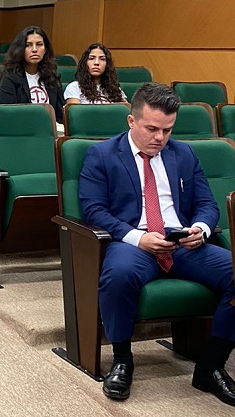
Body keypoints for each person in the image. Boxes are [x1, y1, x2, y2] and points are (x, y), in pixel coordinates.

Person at [79, 83, 235, 406]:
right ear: (131, 121)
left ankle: (212, 366)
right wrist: (139, 238)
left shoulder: (184, 153)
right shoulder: (102, 155)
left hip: (182, 242)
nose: (160, 138)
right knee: (118, 275)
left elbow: (208, 204)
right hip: (133, 241)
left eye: (167, 130)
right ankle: (122, 360)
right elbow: (93, 210)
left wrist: (201, 228)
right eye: (152, 128)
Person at [0, 25, 65, 124]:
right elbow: (9, 115)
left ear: (45, 49)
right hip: (23, 130)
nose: (34, 49)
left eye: (39, 44)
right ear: (20, 49)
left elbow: (60, 115)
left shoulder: (52, 77)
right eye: (28, 45)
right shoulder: (9, 78)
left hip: (51, 131)